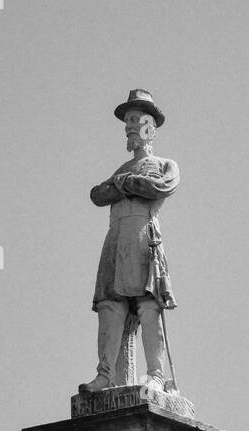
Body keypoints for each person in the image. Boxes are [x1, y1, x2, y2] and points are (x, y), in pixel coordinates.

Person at [80, 89, 178, 392]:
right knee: (111, 305)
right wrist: (124, 184)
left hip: (142, 233)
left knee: (148, 304)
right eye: (127, 121)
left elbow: (159, 186)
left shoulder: (164, 164)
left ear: (150, 125)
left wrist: (122, 185)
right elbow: (98, 194)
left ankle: (156, 374)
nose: (130, 126)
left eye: (135, 119)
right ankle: (105, 374)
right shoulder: (121, 169)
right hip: (116, 237)